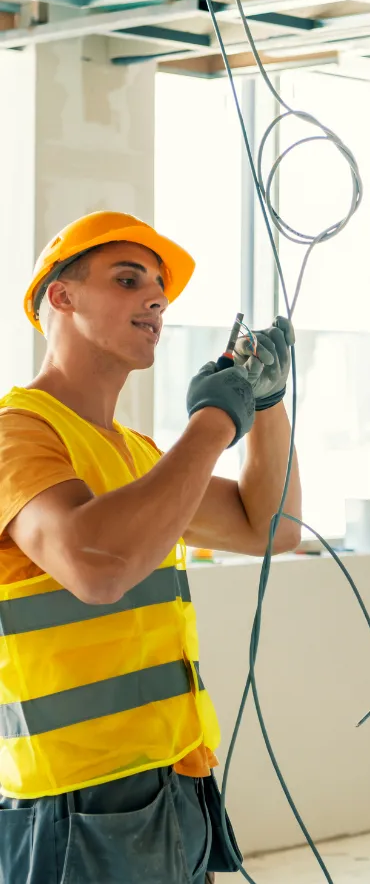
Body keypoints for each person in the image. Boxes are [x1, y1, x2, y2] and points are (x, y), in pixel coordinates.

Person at [0, 211, 301, 884]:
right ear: (62, 295)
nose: (156, 299)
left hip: (177, 784)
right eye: (128, 279)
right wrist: (216, 418)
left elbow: (271, 526)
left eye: (159, 288)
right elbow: (95, 568)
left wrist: (267, 401)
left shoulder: (138, 457)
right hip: (77, 805)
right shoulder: (17, 435)